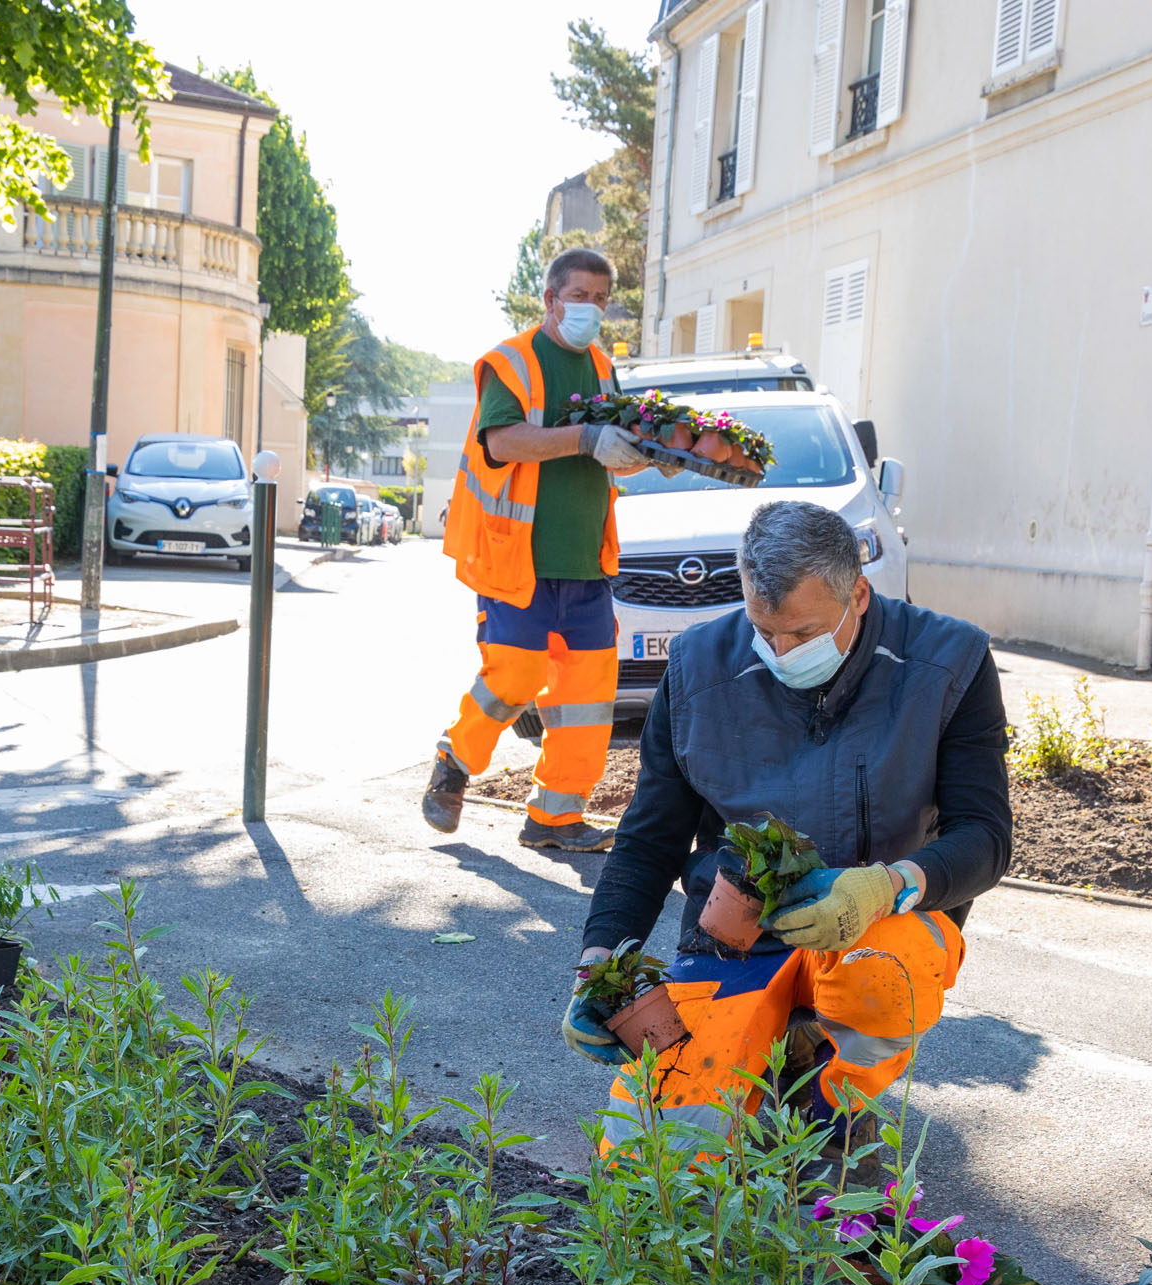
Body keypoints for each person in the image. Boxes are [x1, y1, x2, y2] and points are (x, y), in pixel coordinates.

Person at [561, 499, 1013, 1142]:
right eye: (763, 629)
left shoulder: (948, 663)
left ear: (858, 594)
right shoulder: (697, 668)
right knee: (654, 1157)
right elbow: (647, 840)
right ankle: (772, 1047)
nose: (780, 651)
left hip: (879, 931)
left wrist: (886, 885)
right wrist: (600, 961)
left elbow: (986, 839)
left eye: (802, 634)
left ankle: (833, 1112)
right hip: (732, 940)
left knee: (880, 977)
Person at [422, 247, 667, 851]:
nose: (590, 309)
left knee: (587, 700)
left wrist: (641, 457)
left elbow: (603, 459)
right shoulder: (512, 362)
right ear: (551, 298)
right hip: (516, 561)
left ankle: (555, 818)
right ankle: (455, 760)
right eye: (579, 296)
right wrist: (586, 438)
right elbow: (503, 441)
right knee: (517, 674)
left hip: (586, 562)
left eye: (601, 300)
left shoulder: (604, 369)